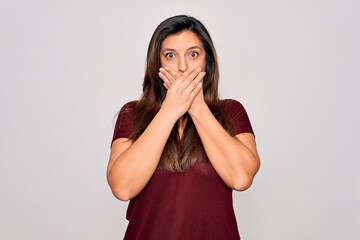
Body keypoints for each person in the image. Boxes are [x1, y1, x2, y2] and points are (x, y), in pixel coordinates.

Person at [107, 15, 260, 240]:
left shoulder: (230, 112)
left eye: (193, 54)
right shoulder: (133, 114)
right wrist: (170, 110)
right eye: (170, 55)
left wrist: (196, 107)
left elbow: (241, 177)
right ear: (157, 63)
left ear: (206, 61)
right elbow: (122, 187)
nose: (182, 66)